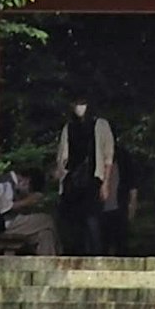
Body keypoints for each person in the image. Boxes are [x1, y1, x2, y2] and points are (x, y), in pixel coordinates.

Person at [50, 100, 115, 257]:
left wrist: (106, 183)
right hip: (72, 180)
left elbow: (108, 157)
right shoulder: (69, 127)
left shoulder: (101, 125)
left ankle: (97, 254)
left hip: (93, 179)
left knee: (92, 219)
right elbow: (62, 158)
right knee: (73, 221)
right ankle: (76, 254)